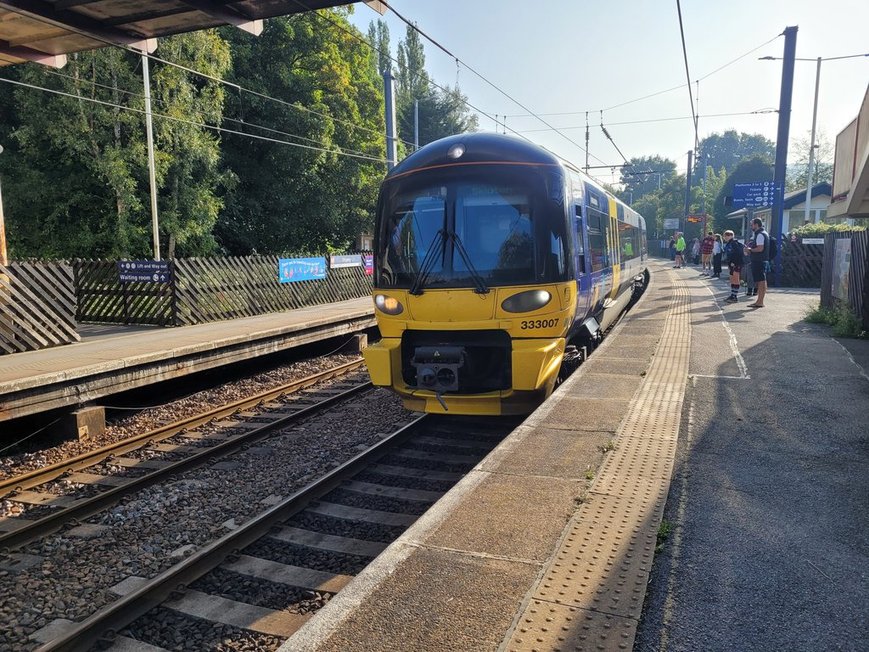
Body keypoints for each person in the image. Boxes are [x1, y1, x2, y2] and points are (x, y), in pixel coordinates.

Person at [744, 217, 768, 308]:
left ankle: (760, 302)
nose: (751, 226)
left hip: (759, 260)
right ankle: (759, 301)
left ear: (756, 224)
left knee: (761, 281)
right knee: (762, 280)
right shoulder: (764, 233)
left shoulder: (760, 235)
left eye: (752, 224)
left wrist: (750, 249)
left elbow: (760, 248)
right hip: (761, 260)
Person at [722, 230, 744, 303]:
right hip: (731, 263)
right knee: (732, 279)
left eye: (726, 235)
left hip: (736, 263)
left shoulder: (734, 243)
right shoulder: (730, 243)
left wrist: (734, 262)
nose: (725, 237)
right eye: (725, 235)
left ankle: (734, 296)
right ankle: (732, 294)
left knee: (735, 278)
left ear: (730, 236)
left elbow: (737, 253)